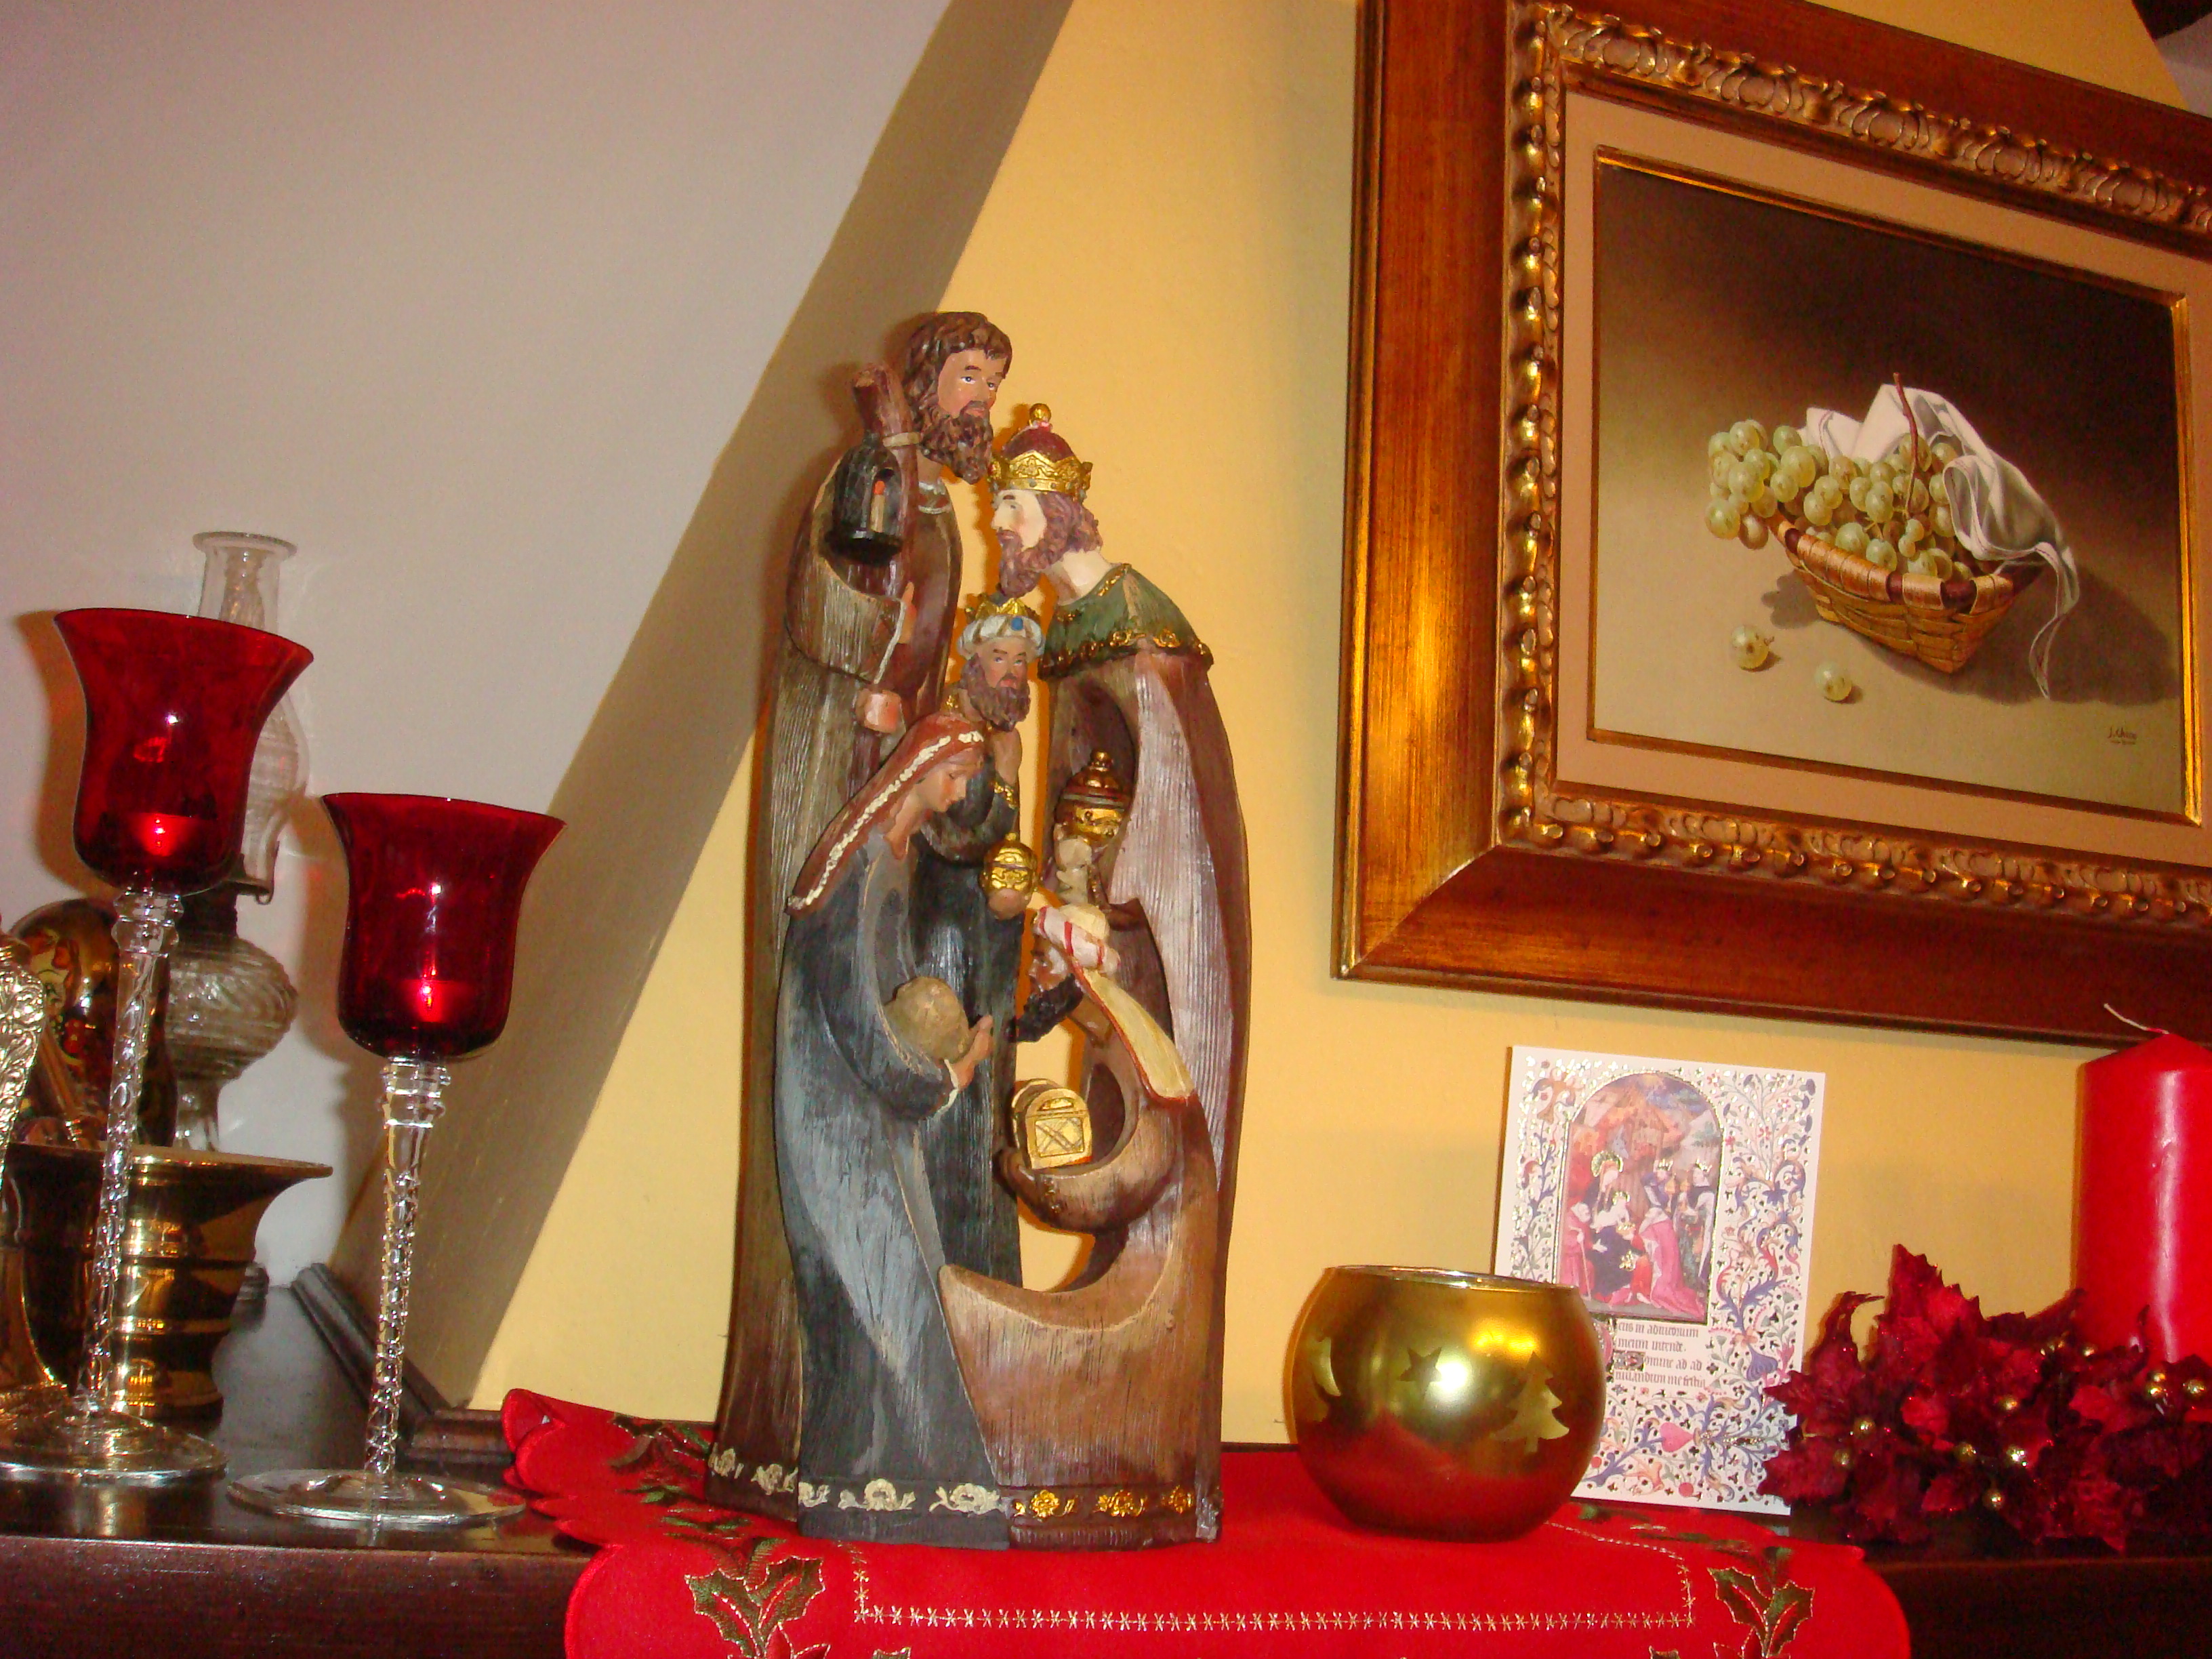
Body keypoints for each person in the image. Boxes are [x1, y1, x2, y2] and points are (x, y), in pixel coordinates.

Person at [713, 314, 1011, 1517]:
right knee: (828, 997)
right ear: (927, 379)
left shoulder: (938, 497)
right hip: (837, 754)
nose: (980, 400)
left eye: (991, 382)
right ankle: (804, 1405)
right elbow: (823, 606)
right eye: (968, 377)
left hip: (892, 764)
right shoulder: (873, 476)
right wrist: (879, 688)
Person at [987, 404, 1250, 1539]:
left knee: (1146, 1124)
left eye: (1010, 505)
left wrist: (1106, 894)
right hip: (1107, 933)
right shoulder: (1069, 630)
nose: (999, 526)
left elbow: (1167, 795)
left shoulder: (1136, 624)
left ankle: (1153, 1446)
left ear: (1058, 509)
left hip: (1148, 935)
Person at [773, 712, 1008, 1546]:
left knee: (910, 1288)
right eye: (956, 774)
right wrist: (944, 1077)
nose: (961, 789)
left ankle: (915, 1491)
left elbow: (895, 989)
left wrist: (944, 1049)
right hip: (836, 1116)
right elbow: (855, 1018)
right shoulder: (858, 871)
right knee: (877, 1295)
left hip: (880, 1116)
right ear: (920, 771)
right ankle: (869, 1489)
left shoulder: (896, 860)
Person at [909, 596, 1043, 1283]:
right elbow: (952, 835)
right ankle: (947, 1259)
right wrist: (1008, 781)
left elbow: (1000, 846)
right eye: (1000, 658)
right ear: (973, 660)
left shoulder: (999, 734)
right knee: (955, 1084)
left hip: (988, 929)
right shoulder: (953, 733)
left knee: (990, 1093)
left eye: (1021, 661)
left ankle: (987, 1267)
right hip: (946, 930)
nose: (1012, 673)